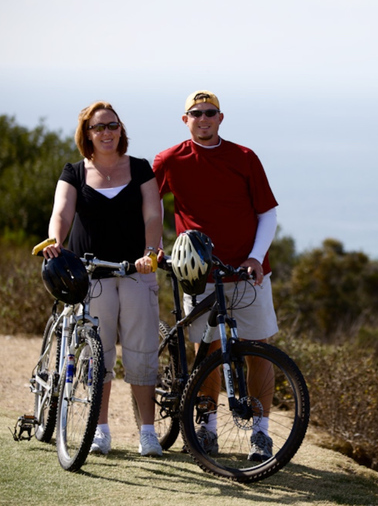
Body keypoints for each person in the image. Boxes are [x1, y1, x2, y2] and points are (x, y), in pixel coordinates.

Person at [153, 90, 279, 461]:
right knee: (206, 351)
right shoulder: (170, 159)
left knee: (260, 350)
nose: (203, 119)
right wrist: (155, 245)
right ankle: (207, 430)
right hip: (199, 275)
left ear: (221, 118)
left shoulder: (244, 157)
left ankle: (261, 433)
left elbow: (267, 212)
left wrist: (256, 258)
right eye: (196, 113)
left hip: (247, 273)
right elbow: (146, 201)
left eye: (210, 113)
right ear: (185, 119)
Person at [43, 101, 164, 457]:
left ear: (120, 129)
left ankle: (148, 432)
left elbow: (154, 215)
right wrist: (56, 242)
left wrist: (150, 252)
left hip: (135, 271)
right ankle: (100, 429)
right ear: (87, 134)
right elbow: (61, 213)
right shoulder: (74, 172)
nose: (107, 133)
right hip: (90, 274)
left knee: (142, 354)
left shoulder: (140, 168)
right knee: (100, 355)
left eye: (112, 126)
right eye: (99, 128)